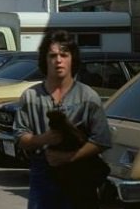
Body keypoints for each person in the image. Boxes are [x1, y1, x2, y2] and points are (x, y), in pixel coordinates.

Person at [14, 30, 110, 209]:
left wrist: (67, 157)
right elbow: (20, 137)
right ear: (45, 59)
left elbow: (101, 140)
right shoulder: (31, 97)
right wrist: (43, 139)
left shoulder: (88, 96)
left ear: (72, 59)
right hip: (43, 172)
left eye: (64, 55)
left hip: (79, 173)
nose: (58, 60)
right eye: (53, 55)